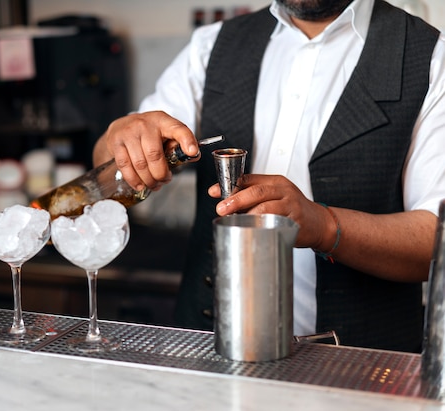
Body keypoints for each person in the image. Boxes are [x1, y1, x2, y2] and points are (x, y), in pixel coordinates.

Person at [92, 0, 445, 352]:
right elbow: (107, 172)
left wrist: (323, 225)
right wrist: (119, 138)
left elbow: (436, 237)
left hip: (358, 373)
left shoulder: (429, 56)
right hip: (207, 361)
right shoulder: (212, 45)